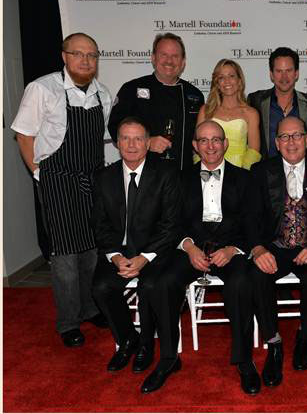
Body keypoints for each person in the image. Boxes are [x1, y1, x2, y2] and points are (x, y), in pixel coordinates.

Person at [11, 32, 112, 347]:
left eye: (91, 55)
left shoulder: (102, 93)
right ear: (64, 56)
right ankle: (69, 322)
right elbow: (24, 136)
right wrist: (40, 174)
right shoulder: (42, 88)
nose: (85, 60)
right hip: (57, 179)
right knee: (66, 255)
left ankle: (91, 308)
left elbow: (101, 140)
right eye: (78, 53)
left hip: (92, 179)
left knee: (92, 250)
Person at [145, 120, 258, 394]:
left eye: (216, 139)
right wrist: (189, 247)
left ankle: (244, 360)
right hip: (191, 249)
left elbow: (253, 224)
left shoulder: (246, 178)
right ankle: (169, 358)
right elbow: (170, 223)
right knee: (163, 282)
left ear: (226, 143)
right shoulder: (179, 178)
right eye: (204, 140)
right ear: (195, 146)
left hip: (230, 249)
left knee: (241, 282)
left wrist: (232, 250)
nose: (211, 146)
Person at [247, 116, 307, 388]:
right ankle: (273, 342)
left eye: (297, 136)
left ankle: (303, 335)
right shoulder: (261, 171)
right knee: (256, 275)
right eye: (284, 137)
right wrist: (259, 248)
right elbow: (249, 217)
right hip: (276, 246)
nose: (291, 142)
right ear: (276, 143)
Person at [91, 117, 181, 379]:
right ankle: (129, 338)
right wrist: (116, 257)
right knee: (101, 287)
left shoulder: (166, 174)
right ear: (117, 143)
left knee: (149, 286)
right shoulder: (104, 177)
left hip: (156, 253)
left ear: (147, 142)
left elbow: (171, 224)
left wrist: (144, 258)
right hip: (118, 253)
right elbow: (99, 224)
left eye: (138, 138)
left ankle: (148, 346)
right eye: (126, 139)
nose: (132, 145)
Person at [108, 32, 204, 171]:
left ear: (183, 62)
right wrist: (146, 142)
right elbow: (114, 128)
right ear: (153, 58)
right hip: (144, 177)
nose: (169, 61)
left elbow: (200, 136)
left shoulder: (194, 94)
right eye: (163, 55)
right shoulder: (131, 89)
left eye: (175, 56)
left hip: (183, 176)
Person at [248, 47, 307, 159]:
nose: (284, 77)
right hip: (265, 174)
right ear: (271, 74)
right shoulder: (256, 101)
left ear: (296, 74)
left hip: (302, 174)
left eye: (288, 71)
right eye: (279, 71)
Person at [196, 59, 261, 169]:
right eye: (221, 77)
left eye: (231, 76)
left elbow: (253, 152)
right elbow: (198, 146)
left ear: (239, 80)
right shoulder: (206, 110)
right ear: (217, 83)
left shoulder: (251, 113)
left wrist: (242, 176)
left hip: (240, 173)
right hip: (209, 172)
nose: (227, 81)